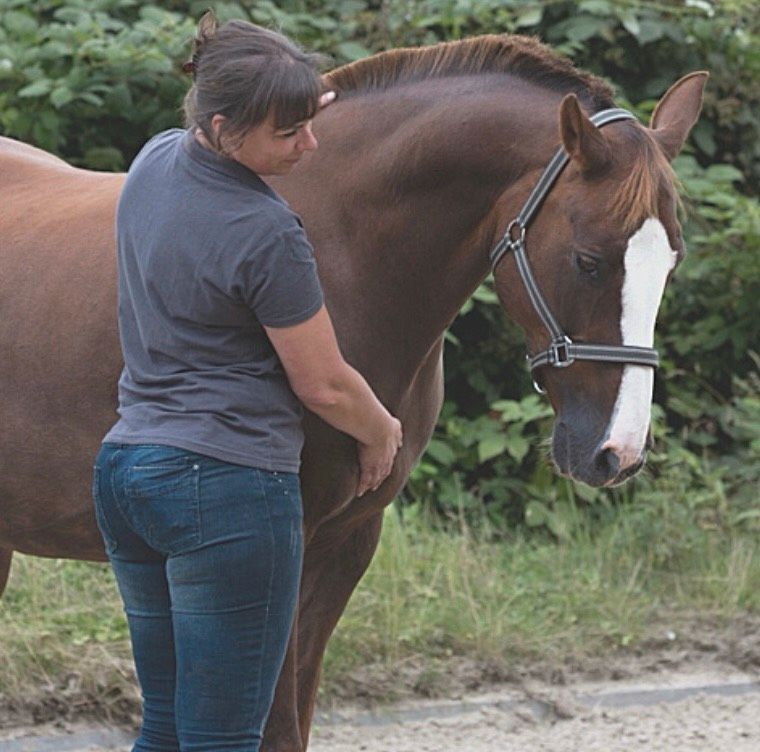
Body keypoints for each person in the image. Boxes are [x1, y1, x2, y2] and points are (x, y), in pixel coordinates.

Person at [92, 12, 402, 752]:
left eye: (310, 121)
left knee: (167, 725)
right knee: (227, 738)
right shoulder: (267, 231)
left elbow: (235, 90)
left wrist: (289, 94)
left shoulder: (155, 160)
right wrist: (382, 428)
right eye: (288, 131)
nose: (310, 145)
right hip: (223, 493)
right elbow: (323, 384)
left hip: (126, 473)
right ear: (227, 127)